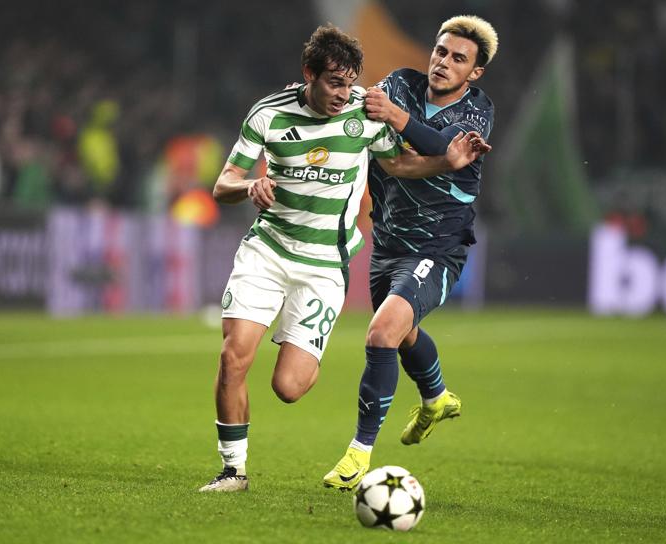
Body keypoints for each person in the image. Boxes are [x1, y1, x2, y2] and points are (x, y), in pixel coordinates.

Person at [199, 24, 486, 492]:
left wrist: (445, 162)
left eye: (350, 82)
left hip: (323, 266)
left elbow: (398, 163)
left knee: (289, 387)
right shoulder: (268, 114)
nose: (342, 93)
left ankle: (312, 345)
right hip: (266, 252)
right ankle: (234, 471)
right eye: (334, 82)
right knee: (233, 358)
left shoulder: (364, 113)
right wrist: (249, 186)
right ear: (308, 73)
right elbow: (222, 184)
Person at [323, 15, 498, 490]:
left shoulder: (477, 111)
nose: (444, 62)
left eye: (458, 58)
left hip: (438, 246)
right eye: (441, 51)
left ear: (475, 72)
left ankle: (359, 453)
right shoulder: (401, 82)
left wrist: (397, 120)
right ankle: (436, 397)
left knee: (382, 333)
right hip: (387, 241)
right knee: (403, 334)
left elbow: (444, 145)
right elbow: (365, 117)